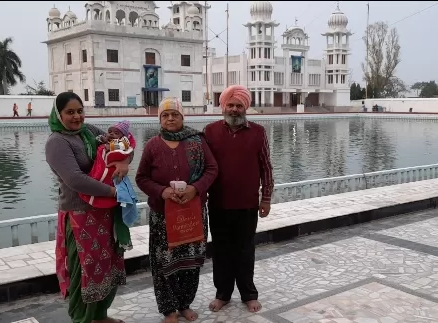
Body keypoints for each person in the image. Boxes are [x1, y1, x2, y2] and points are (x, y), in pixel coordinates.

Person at [45, 92, 131, 323]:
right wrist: (114, 192)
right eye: (70, 112)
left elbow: (119, 145)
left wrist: (123, 161)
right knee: (83, 270)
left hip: (103, 212)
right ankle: (83, 319)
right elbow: (75, 179)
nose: (76, 117)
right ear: (58, 114)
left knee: (106, 265)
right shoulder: (57, 142)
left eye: (80, 111)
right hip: (79, 215)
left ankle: (99, 316)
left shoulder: (89, 131)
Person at [135, 97, 218, 323]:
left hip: (193, 213)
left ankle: (184, 304)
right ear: (160, 119)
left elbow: (212, 169)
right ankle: (169, 310)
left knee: (190, 261)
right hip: (163, 216)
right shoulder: (153, 145)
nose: (170, 118)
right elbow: (141, 178)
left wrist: (195, 188)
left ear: (182, 117)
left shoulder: (197, 142)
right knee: (164, 263)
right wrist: (161, 191)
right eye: (165, 115)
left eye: (175, 114)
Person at [203, 85, 274, 313]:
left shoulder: (258, 132)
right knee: (221, 250)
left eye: (239, 105)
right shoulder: (210, 131)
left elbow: (266, 167)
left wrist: (266, 198)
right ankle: (222, 293)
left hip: (247, 204)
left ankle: (248, 294)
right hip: (218, 203)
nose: (234, 109)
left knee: (245, 250)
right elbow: (202, 167)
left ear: (246, 107)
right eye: (230, 105)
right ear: (223, 106)